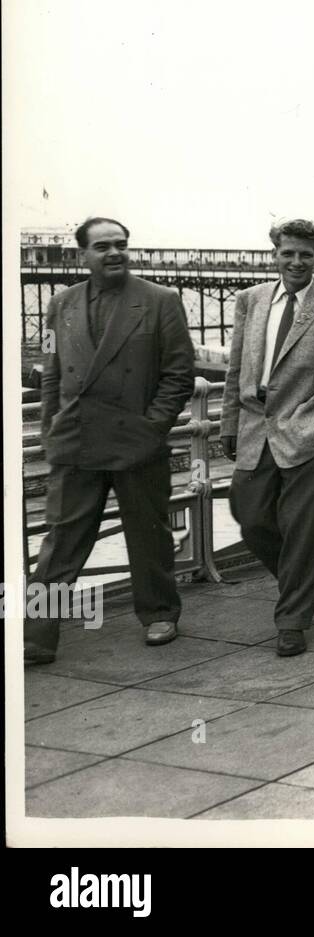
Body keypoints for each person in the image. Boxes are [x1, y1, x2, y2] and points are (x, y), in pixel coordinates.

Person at [24, 218, 195, 665]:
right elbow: (52, 374)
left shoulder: (160, 301)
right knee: (60, 542)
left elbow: (178, 375)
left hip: (133, 442)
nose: (114, 253)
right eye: (103, 247)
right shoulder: (60, 305)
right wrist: (50, 428)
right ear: (83, 254)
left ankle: (159, 613)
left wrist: (150, 429)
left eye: (121, 245)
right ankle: (37, 636)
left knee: (148, 533)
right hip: (75, 441)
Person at [222, 220, 314, 657]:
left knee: (303, 531)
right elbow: (235, 369)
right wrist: (229, 423)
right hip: (254, 430)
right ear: (274, 255)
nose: (297, 262)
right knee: (250, 517)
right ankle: (302, 578)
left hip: (308, 434)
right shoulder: (250, 301)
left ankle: (292, 621)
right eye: (288, 253)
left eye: (306, 255)